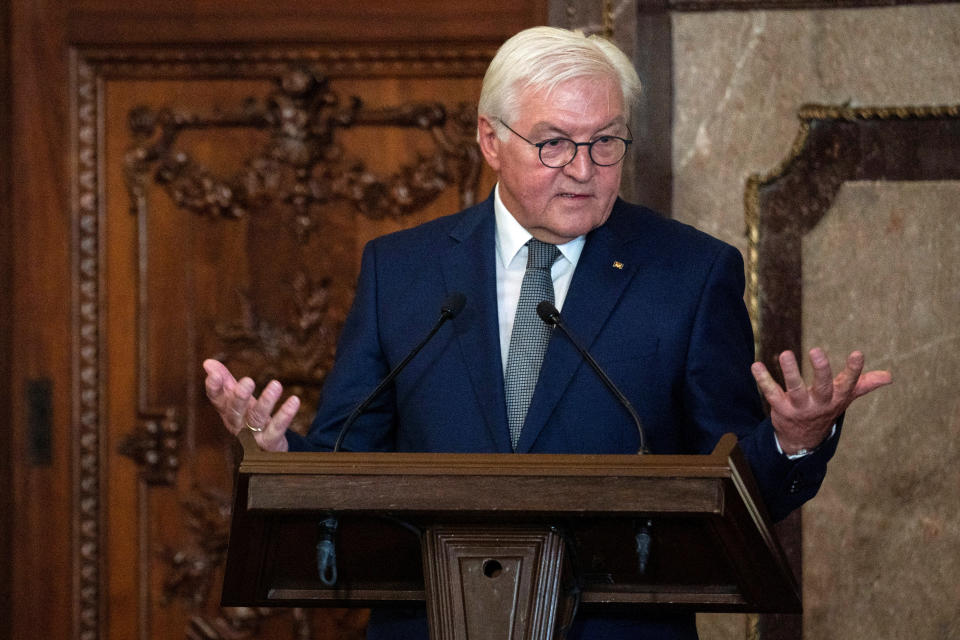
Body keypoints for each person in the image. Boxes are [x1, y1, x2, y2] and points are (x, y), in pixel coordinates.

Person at [203, 26, 891, 640]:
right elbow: (345, 469)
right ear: (490, 139)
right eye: (555, 142)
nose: (585, 170)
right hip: (426, 621)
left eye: (606, 142)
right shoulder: (402, 272)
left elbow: (739, 490)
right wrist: (272, 453)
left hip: (621, 626)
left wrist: (794, 443)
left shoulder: (691, 273)